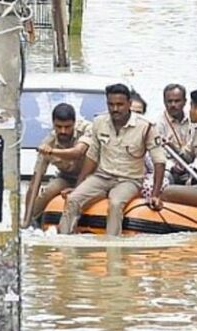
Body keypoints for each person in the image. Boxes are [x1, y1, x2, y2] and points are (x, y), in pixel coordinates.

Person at [57, 84, 166, 236]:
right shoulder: (99, 122)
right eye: (111, 104)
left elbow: (159, 161)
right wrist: (78, 185)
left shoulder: (145, 127)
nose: (115, 109)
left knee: (115, 204)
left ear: (129, 104)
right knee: (73, 199)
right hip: (102, 176)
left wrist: (155, 195)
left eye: (120, 104)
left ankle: (113, 251)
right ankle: (64, 245)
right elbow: (92, 157)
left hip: (129, 180)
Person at [21, 103, 91, 228]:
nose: (63, 131)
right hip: (67, 178)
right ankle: (32, 224)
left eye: (67, 127)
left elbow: (77, 152)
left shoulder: (87, 129)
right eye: (59, 127)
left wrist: (52, 151)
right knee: (48, 191)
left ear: (74, 123)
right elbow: (35, 182)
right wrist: (26, 219)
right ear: (53, 124)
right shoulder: (48, 142)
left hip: (92, 177)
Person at [157, 84, 194, 184]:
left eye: (177, 101)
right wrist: (172, 167)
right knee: (166, 176)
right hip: (170, 168)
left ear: (185, 102)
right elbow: (157, 154)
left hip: (191, 165)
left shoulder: (193, 120)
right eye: (169, 101)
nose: (173, 105)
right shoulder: (158, 124)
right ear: (164, 102)